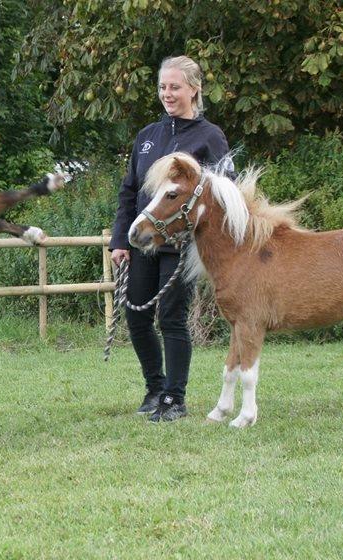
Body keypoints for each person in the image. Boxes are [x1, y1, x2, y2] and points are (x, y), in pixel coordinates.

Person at [109, 56, 233, 423]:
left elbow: (226, 193)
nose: (167, 94)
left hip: (182, 247)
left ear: (194, 89)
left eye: (175, 87)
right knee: (137, 316)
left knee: (171, 317)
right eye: (163, 87)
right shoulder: (147, 137)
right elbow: (129, 191)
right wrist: (120, 241)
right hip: (143, 241)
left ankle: (174, 398)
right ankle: (155, 387)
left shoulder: (210, 137)